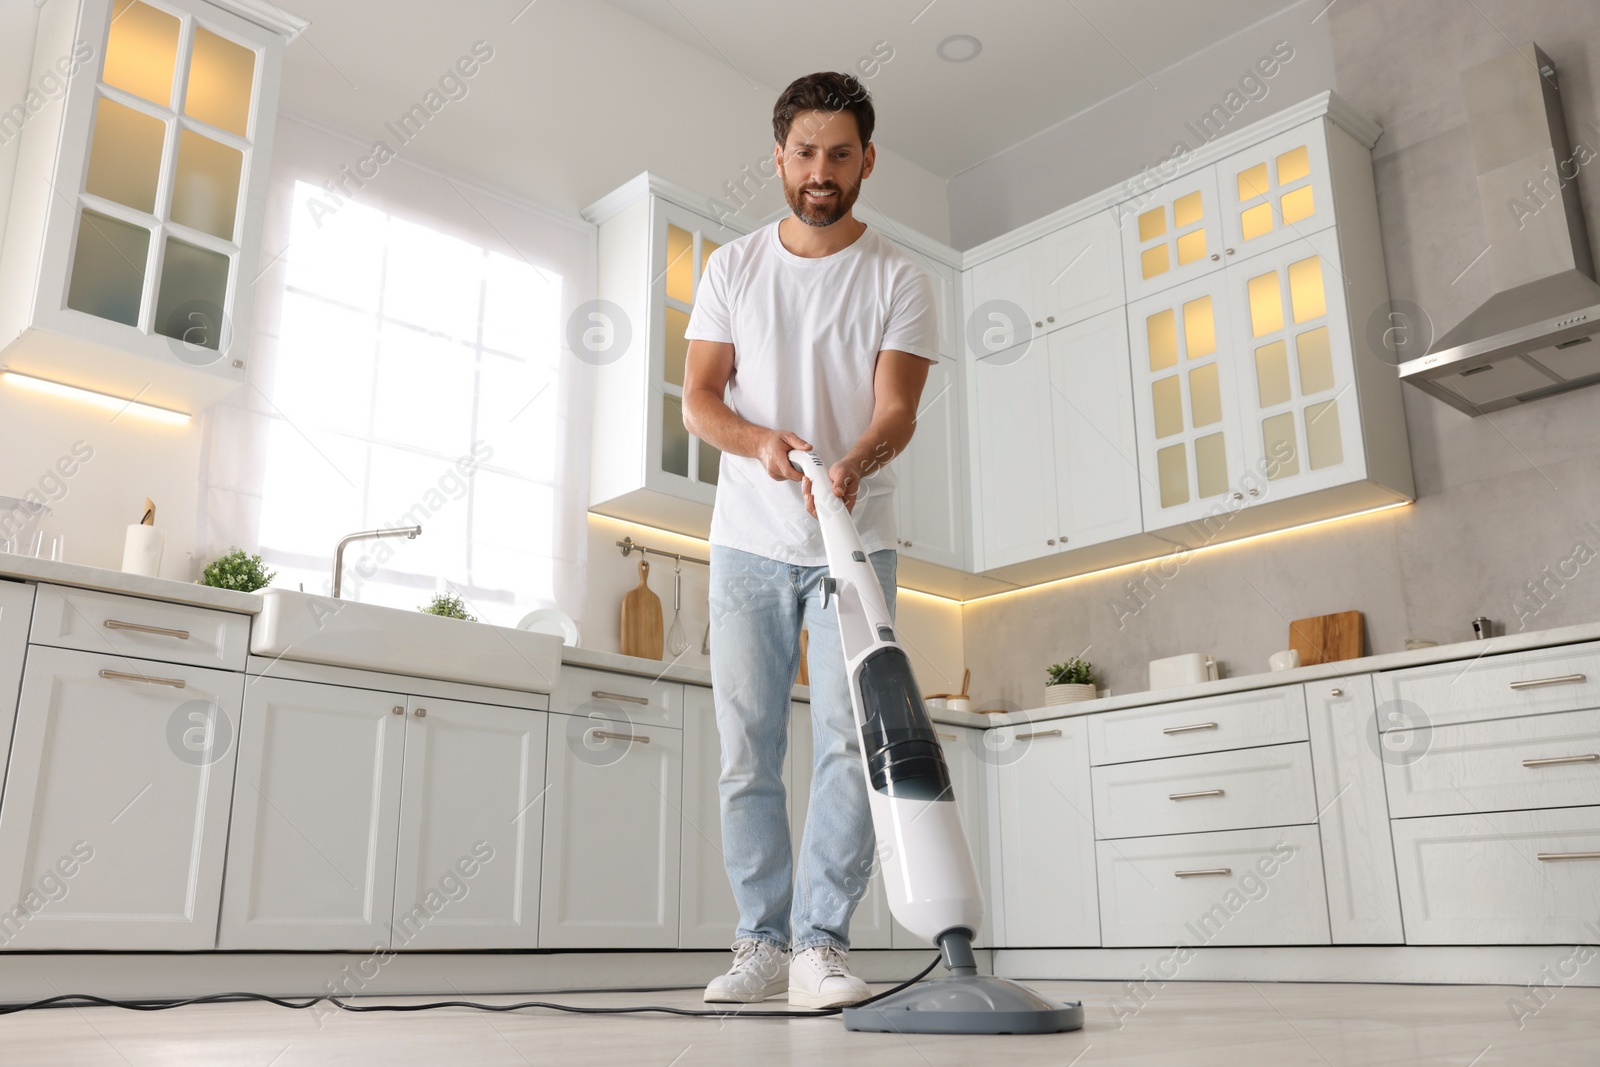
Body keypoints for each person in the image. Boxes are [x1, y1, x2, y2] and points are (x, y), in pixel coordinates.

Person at [681, 70, 940, 1009]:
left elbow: (897, 408)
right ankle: (760, 942)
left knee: (848, 743)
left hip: (854, 540)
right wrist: (761, 444)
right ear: (779, 157)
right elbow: (701, 399)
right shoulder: (732, 268)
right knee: (747, 747)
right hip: (748, 539)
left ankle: (819, 944)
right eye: (804, 153)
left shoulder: (899, 276)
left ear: (867, 159)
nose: (820, 172)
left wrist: (856, 459)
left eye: (840, 154)